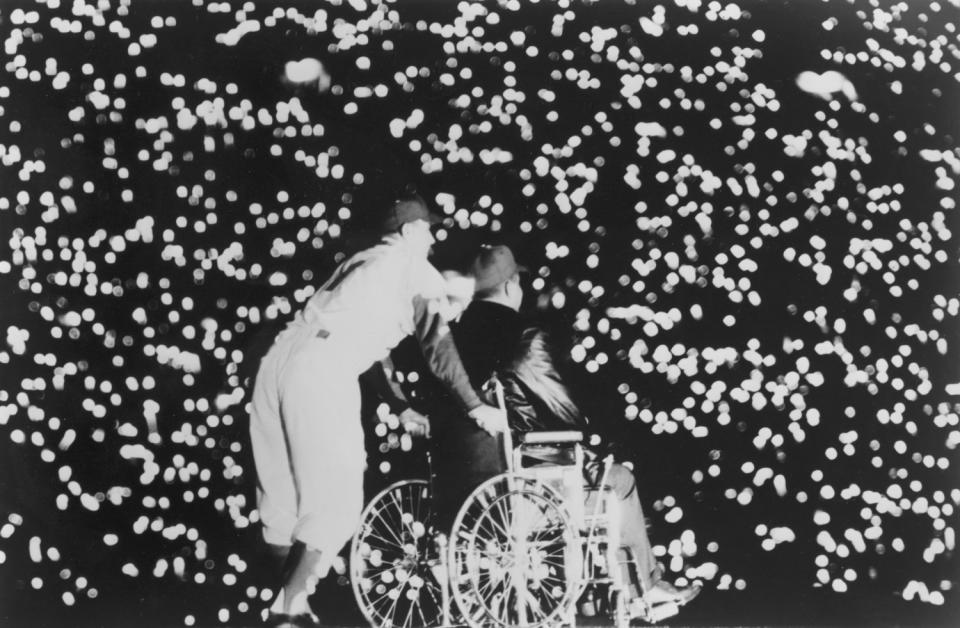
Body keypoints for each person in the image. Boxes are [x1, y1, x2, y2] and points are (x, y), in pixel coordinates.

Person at [247, 194, 506, 626]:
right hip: (322, 371)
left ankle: (290, 604)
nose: (432, 237)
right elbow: (438, 349)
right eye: (427, 228)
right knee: (340, 499)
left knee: (283, 504)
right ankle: (287, 608)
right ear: (407, 232)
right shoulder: (413, 267)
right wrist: (476, 406)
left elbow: (370, 350)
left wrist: (400, 406)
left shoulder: (365, 262)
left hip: (278, 362)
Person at [447, 244, 701, 617]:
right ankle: (645, 588)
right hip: (526, 483)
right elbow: (559, 409)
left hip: (466, 481)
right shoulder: (524, 336)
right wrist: (581, 438)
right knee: (619, 479)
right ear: (510, 285)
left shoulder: (453, 338)